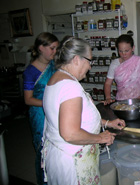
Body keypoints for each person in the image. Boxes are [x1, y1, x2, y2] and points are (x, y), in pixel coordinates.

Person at [42, 37, 125, 184]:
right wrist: (101, 137)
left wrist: (107, 123)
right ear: (76, 59)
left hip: (59, 156)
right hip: (72, 162)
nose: (90, 66)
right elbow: (71, 134)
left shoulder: (56, 79)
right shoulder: (70, 87)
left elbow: (77, 117)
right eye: (89, 60)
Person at [23, 32, 59, 185]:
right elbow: (28, 99)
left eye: (56, 48)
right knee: (43, 148)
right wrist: (48, 103)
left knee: (56, 146)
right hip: (40, 113)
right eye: (52, 48)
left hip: (55, 110)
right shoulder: (30, 72)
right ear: (40, 48)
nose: (54, 52)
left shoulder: (54, 65)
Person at [104, 34, 140, 104]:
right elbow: (108, 83)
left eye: (126, 51)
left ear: (133, 48)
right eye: (120, 51)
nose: (123, 54)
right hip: (122, 102)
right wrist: (108, 98)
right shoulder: (114, 64)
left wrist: (139, 99)